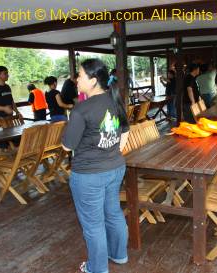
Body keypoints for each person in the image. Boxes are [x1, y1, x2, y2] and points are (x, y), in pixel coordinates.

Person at [62, 58, 129, 273]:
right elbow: (126, 130)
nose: (76, 80)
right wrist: (114, 152)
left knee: (93, 225)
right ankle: (119, 255)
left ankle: (97, 268)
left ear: (92, 81)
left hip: (89, 175)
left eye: (80, 76)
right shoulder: (115, 99)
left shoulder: (82, 109)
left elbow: (67, 145)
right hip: (115, 167)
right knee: (114, 213)